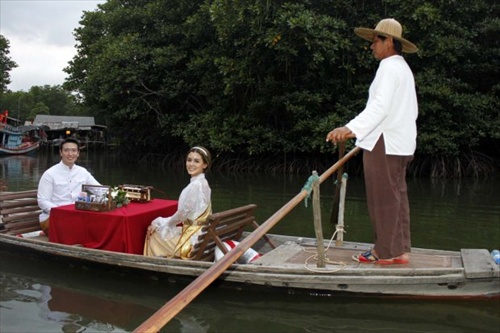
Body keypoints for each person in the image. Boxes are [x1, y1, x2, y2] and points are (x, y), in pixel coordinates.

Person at [326, 18, 418, 265]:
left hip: (384, 143)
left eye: (375, 41)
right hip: (399, 143)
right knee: (397, 197)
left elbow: (380, 107)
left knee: (382, 199)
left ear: (389, 42)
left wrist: (349, 128)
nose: (371, 47)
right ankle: (399, 250)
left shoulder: (389, 67)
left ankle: (384, 252)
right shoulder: (403, 68)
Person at [144, 146, 212, 259]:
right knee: (166, 229)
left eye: (196, 161)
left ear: (205, 165)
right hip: (202, 234)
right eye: (189, 160)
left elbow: (181, 215)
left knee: (154, 235)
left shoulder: (194, 186)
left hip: (193, 243)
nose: (191, 164)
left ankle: (155, 268)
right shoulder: (204, 183)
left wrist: (158, 223)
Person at [37, 138, 100, 235]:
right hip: (53, 218)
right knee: (84, 229)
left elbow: (99, 190)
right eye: (66, 150)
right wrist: (62, 212)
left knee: (101, 224)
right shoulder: (50, 174)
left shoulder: (82, 172)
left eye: (74, 150)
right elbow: (42, 201)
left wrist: (115, 195)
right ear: (61, 153)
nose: (70, 154)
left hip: (76, 216)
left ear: (78, 153)